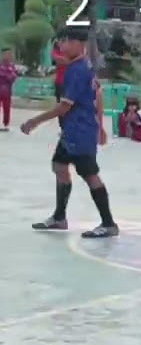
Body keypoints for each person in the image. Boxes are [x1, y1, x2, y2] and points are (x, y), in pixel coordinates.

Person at [22, 27, 117, 238]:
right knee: (59, 165)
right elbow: (96, 94)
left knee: (89, 174)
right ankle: (59, 217)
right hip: (72, 130)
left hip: (80, 131)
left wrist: (35, 121)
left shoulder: (77, 70)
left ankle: (108, 223)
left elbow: (64, 107)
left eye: (64, 41)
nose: (61, 46)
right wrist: (100, 125)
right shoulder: (83, 66)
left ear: (77, 44)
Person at [0, 47, 17, 131]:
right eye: (6, 54)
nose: (7, 55)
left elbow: (13, 77)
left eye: (9, 54)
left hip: (7, 91)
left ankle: (6, 124)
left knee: (7, 108)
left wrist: (5, 75)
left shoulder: (12, 66)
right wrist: (7, 74)